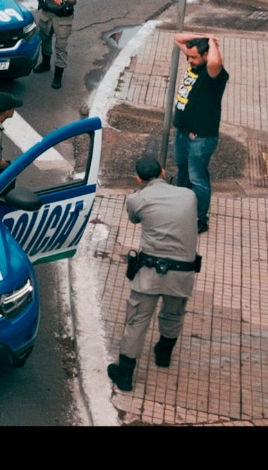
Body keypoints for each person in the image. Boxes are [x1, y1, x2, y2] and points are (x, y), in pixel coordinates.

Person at [106, 155, 200, 392]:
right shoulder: (189, 195)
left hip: (150, 274)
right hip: (183, 274)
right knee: (173, 314)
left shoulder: (136, 199)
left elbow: (135, 219)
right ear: (163, 172)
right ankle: (163, 355)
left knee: (137, 319)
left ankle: (125, 376)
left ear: (138, 178)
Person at [171, 31, 228, 235]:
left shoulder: (214, 74)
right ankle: (181, 209)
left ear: (206, 55)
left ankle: (200, 219)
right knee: (183, 172)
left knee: (198, 179)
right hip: (183, 133)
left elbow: (215, 62)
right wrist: (205, 35)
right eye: (188, 57)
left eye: (194, 57)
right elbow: (178, 37)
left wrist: (212, 43)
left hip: (200, 138)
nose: (189, 60)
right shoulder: (196, 63)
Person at [33, 0, 79, 90]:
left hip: (62, 18)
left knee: (61, 47)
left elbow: (73, 0)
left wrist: (65, 0)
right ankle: (45, 63)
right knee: (45, 40)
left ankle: (58, 76)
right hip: (47, 15)